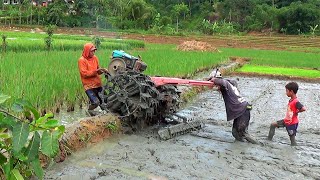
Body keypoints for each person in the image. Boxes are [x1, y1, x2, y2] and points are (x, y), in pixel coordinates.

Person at [208, 69, 258, 144]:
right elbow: (232, 81)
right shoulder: (230, 83)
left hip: (242, 109)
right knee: (235, 133)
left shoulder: (224, 83)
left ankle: (259, 145)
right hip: (242, 109)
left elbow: (219, 81)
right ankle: (241, 146)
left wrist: (212, 79)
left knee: (243, 133)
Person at [267, 82, 306, 146]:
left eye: (287, 91)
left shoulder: (296, 101)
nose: (286, 93)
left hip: (292, 123)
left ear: (291, 91)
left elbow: (303, 108)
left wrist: (297, 112)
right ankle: (268, 140)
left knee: (292, 140)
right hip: (286, 121)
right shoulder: (291, 100)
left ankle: (294, 150)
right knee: (273, 125)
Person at [78, 43, 108, 114]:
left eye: (94, 51)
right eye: (92, 51)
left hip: (98, 83)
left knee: (105, 100)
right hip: (88, 86)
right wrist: (96, 71)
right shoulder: (82, 60)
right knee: (95, 102)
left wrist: (103, 71)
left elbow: (98, 71)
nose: (93, 52)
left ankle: (105, 115)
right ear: (87, 51)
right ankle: (89, 111)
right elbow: (84, 74)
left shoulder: (95, 58)